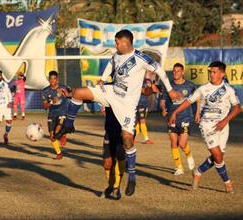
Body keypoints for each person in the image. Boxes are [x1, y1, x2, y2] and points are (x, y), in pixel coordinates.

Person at [55, 29, 181, 196]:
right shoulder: (117, 55)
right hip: (111, 92)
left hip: (127, 106)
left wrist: (170, 90)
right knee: (78, 92)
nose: (115, 45)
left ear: (124, 42)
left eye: (116, 42)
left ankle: (132, 178)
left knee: (128, 140)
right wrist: (102, 78)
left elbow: (159, 70)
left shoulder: (140, 58)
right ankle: (68, 126)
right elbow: (111, 64)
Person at [169, 61, 241, 193]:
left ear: (222, 74)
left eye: (214, 72)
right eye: (210, 72)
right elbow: (188, 101)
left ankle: (198, 171)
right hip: (207, 125)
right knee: (218, 157)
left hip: (223, 126)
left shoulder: (228, 90)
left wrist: (225, 121)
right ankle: (228, 183)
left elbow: (237, 108)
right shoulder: (203, 88)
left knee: (219, 157)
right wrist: (175, 112)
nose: (211, 74)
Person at [160, 63, 200, 175]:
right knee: (173, 143)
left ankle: (189, 155)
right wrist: (163, 108)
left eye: (178, 71)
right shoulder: (168, 86)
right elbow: (163, 101)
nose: (175, 73)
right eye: (174, 71)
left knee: (182, 144)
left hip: (185, 118)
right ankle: (179, 168)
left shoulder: (190, 86)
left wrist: (197, 112)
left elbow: (198, 98)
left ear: (182, 72)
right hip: (171, 118)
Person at [42, 71, 71, 160]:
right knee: (52, 137)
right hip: (52, 114)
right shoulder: (45, 91)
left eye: (54, 79)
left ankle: (63, 134)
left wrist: (66, 93)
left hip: (62, 113)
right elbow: (45, 107)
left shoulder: (63, 87)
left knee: (57, 131)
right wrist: (51, 102)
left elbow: (71, 94)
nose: (52, 80)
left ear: (57, 79)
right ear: (49, 79)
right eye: (51, 78)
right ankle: (59, 154)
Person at [101, 105, 126, 200]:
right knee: (107, 164)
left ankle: (116, 187)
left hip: (122, 133)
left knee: (120, 159)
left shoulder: (127, 99)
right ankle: (111, 187)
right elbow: (104, 112)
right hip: (109, 133)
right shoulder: (107, 97)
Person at [134, 78, 160, 145]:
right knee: (142, 121)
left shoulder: (147, 80)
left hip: (144, 104)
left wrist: (154, 88)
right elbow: (145, 91)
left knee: (138, 121)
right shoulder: (139, 80)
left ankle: (133, 138)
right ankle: (146, 139)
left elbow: (153, 91)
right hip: (139, 104)